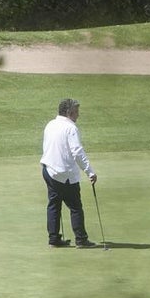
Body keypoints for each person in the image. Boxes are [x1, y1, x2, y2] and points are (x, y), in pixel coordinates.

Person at [41, 98, 97, 248]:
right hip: (64, 175)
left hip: (48, 170)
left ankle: (53, 239)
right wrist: (90, 172)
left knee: (54, 204)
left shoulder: (50, 124)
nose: (78, 115)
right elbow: (77, 152)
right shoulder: (71, 128)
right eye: (76, 112)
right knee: (75, 207)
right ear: (69, 113)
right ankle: (81, 239)